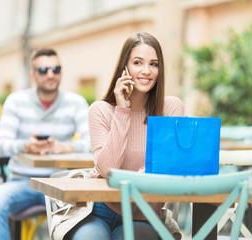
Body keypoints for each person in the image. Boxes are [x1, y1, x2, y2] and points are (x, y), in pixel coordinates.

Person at [64, 32, 184, 240]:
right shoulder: (101, 110)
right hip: (100, 211)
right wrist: (122, 110)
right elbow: (108, 169)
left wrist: (139, 176)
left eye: (154, 64)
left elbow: (170, 166)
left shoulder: (171, 108)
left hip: (145, 216)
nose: (147, 71)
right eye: (138, 63)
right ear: (125, 67)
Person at [0, 47, 91, 240]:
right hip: (21, 182)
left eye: (56, 69)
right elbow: (0, 145)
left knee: (89, 218)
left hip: (62, 183)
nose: (50, 74)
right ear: (32, 75)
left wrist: (65, 147)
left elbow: (94, 143)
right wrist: (26, 145)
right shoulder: (16, 101)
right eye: (43, 70)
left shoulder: (76, 102)